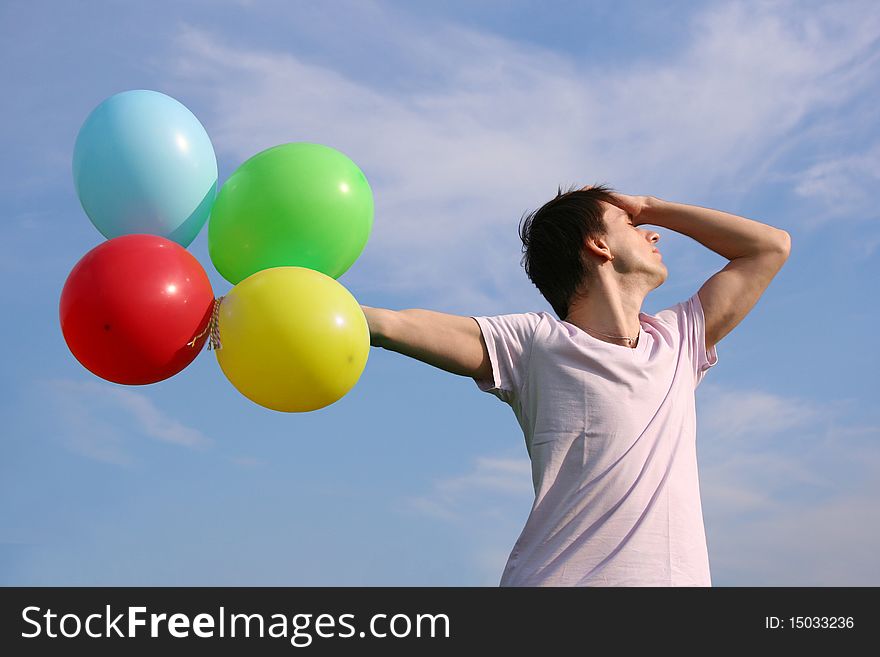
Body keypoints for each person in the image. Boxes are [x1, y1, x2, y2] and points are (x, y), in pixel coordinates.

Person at [360, 183, 791, 586]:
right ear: (598, 245)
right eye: (634, 227)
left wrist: (648, 207)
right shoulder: (535, 344)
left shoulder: (676, 342)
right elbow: (392, 324)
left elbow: (769, 247)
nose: (654, 235)